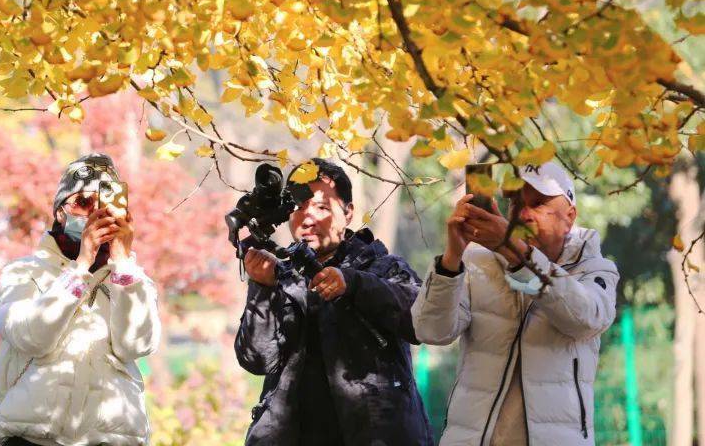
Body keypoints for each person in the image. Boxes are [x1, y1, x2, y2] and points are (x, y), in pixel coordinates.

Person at [411, 160, 620, 446]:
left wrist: (518, 257)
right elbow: (430, 331)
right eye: (514, 203)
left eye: (537, 203)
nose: (522, 213)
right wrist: (452, 257)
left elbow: (585, 319)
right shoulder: (475, 261)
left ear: (570, 216)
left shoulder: (595, 269)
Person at [234, 158, 433, 446]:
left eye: (322, 207)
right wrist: (262, 289)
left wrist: (352, 283)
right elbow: (255, 359)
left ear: (348, 212)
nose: (307, 217)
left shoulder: (382, 267)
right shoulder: (280, 275)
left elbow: (421, 321)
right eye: (298, 208)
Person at [0, 153, 161, 446]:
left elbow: (137, 346)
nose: (94, 213)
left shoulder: (133, 279)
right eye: (83, 203)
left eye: (105, 204)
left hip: (111, 438)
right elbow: (31, 337)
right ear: (60, 212)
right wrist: (80, 266)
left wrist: (122, 264)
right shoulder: (23, 272)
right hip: (30, 437)